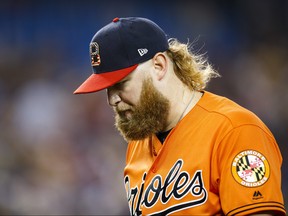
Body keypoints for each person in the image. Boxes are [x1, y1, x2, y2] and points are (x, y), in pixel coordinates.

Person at [74, 17, 286, 215]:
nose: (112, 100)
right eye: (107, 89)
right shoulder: (138, 145)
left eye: (120, 84)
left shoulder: (234, 131)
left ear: (159, 65)